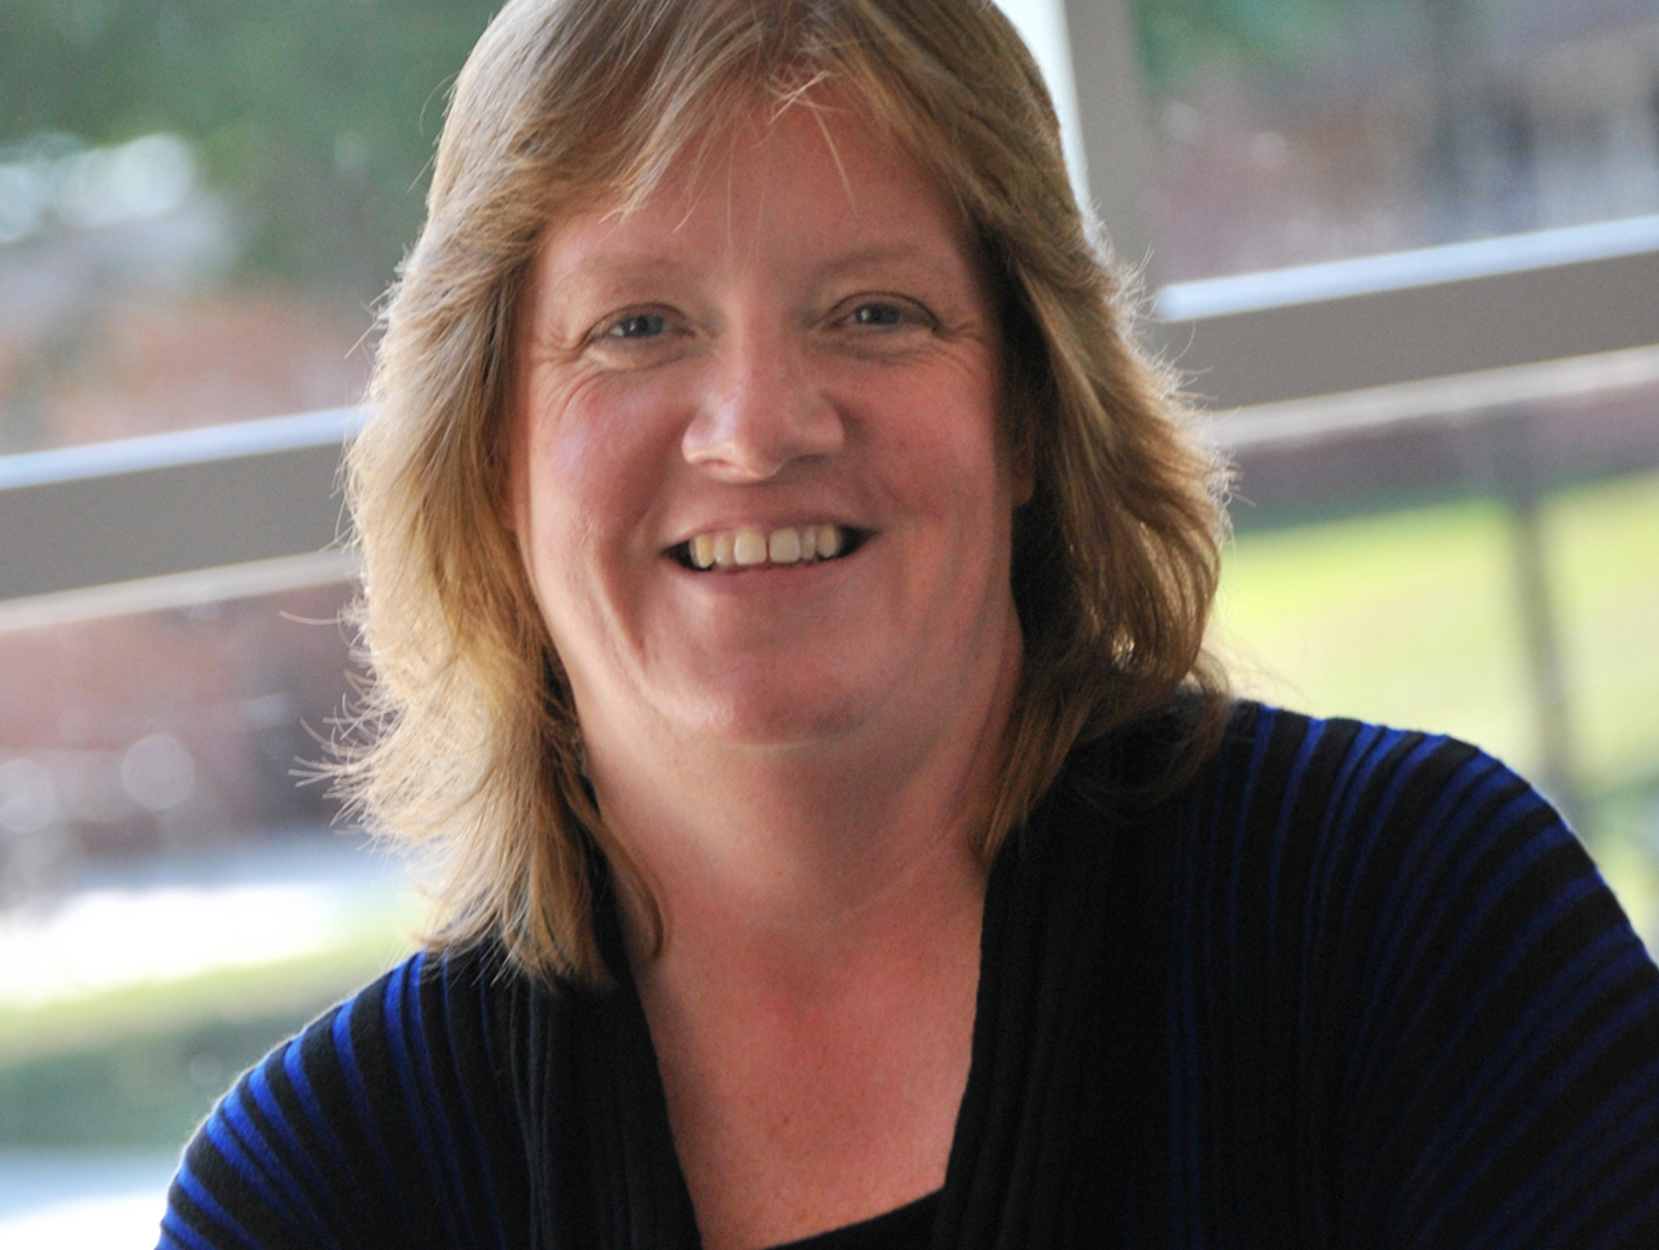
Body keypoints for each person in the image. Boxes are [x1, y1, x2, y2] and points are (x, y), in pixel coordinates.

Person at [158, 1, 1659, 1247]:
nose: (757, 429)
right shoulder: (318, 1197)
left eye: (875, 311)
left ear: (1027, 409)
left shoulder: (1414, 925)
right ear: (490, 454)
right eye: (637, 325)